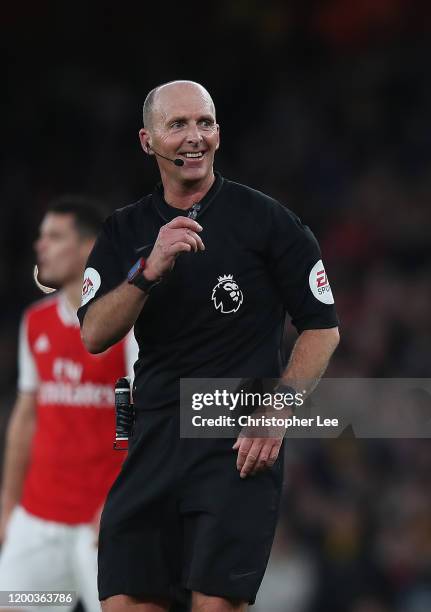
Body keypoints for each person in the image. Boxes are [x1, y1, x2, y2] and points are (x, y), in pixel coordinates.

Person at [78, 80, 340, 612]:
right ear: (148, 141)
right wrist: (147, 272)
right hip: (152, 443)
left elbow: (323, 327)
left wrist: (278, 411)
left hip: (234, 449)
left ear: (218, 132)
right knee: (124, 602)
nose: (195, 137)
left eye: (205, 123)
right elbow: (94, 334)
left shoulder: (267, 222)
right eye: (178, 124)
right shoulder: (123, 230)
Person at [0, 197, 137, 612]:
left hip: (103, 526)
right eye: (41, 236)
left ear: (88, 248)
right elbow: (26, 417)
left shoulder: (127, 327)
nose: (41, 245)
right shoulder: (35, 322)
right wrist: (9, 504)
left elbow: (145, 417)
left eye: (55, 236)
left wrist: (121, 503)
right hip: (39, 521)